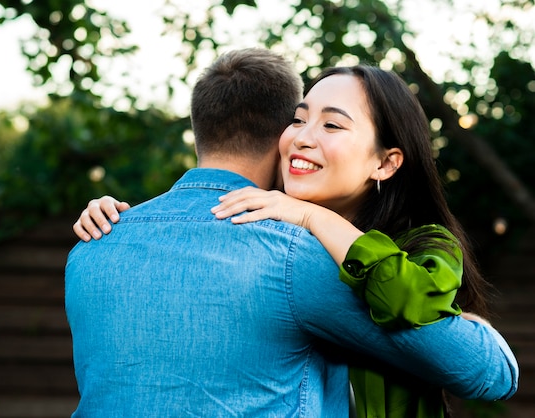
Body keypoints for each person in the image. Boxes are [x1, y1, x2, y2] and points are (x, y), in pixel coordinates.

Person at [66, 49, 518, 417]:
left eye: (332, 124)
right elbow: (488, 370)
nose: (304, 137)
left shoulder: (93, 246)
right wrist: (471, 327)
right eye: (299, 120)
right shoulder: (292, 256)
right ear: (277, 131)